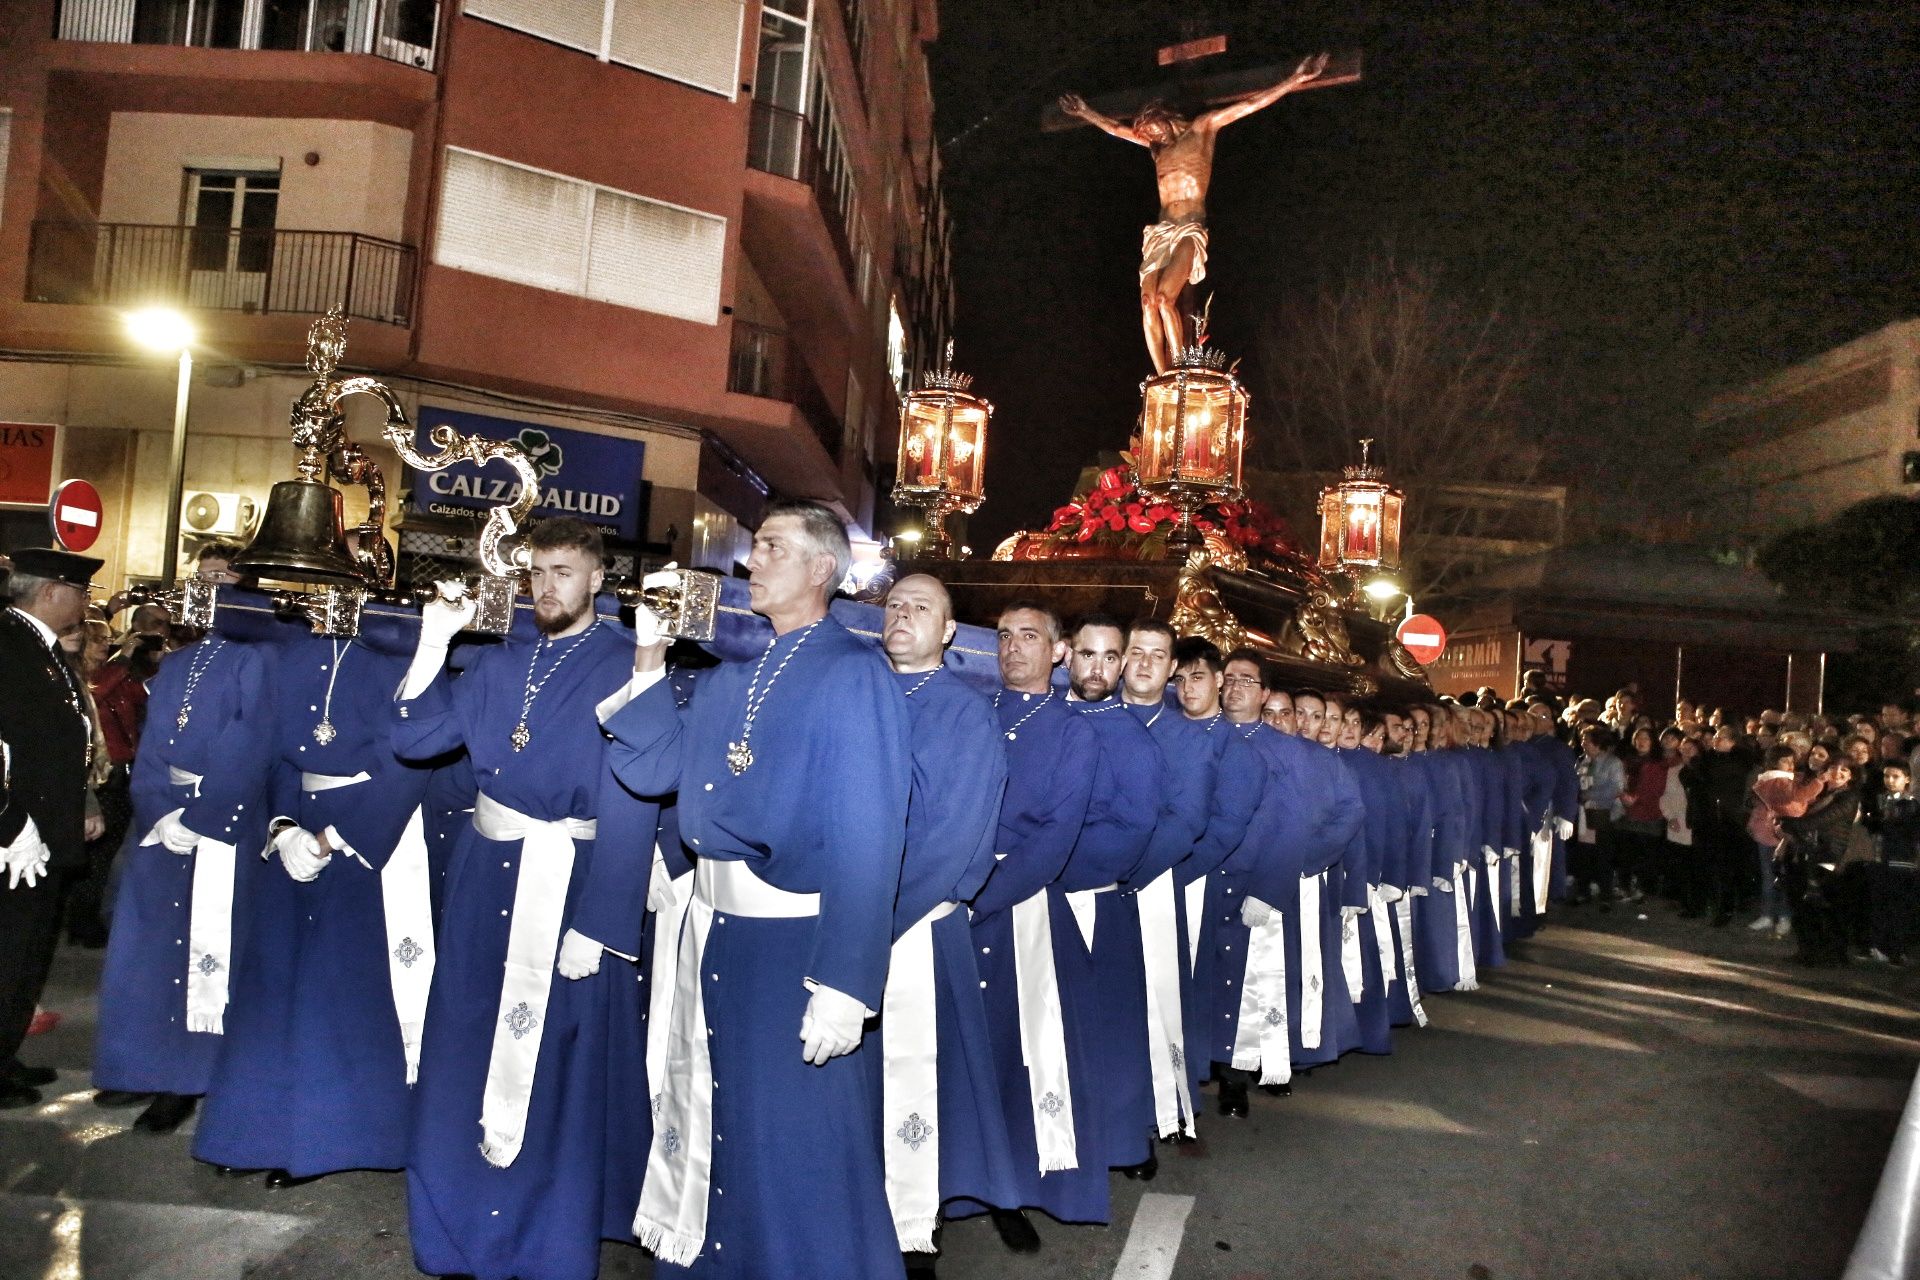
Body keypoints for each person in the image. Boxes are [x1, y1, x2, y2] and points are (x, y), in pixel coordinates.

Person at [605, 500, 913, 1279]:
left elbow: (868, 837)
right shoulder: (726, 680)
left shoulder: (854, 673)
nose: (751, 563)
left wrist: (845, 983)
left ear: (820, 568)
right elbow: (649, 772)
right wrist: (648, 653)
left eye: (771, 547)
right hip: (714, 935)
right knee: (719, 1118)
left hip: (791, 950)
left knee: (795, 1142)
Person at [395, 517, 652, 1280]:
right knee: (467, 1045)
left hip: (573, 885)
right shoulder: (500, 663)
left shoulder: (622, 663)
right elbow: (412, 740)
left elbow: (638, 797)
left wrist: (603, 919)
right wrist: (435, 641)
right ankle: (456, 1233)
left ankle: (545, 1246)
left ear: (598, 580)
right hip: (488, 878)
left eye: (564, 571)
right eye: (537, 571)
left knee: (559, 1064)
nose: (546, 586)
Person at [191, 627, 434, 1188]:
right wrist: (281, 827)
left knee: (339, 990)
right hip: (297, 828)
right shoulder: (284, 657)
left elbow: (409, 765)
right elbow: (271, 754)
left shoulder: (405, 657)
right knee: (273, 986)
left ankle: (330, 1137)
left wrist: (329, 838)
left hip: (369, 837)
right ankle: (255, 1132)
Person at [92, 590, 277, 1133]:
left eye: (224, 581)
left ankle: (187, 1080)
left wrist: (200, 817)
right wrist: (157, 811)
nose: (210, 593)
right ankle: (140, 1063)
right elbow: (150, 746)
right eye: (204, 581)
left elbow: (251, 745)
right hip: (165, 820)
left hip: (219, 823)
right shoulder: (176, 663)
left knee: (206, 953)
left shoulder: (257, 659)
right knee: (149, 952)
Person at [874, 574, 1018, 1269]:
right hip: (847, 912)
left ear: (950, 632)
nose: (902, 616)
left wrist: (877, 917)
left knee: (913, 1075)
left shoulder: (964, 711)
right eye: (894, 605)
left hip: (913, 921)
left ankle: (910, 1224)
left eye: (921, 608)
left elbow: (956, 835)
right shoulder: (857, 690)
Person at [948, 601, 1097, 1251]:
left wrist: (979, 899)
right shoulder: (973, 713)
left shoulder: (1073, 732)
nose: (1012, 649)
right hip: (946, 896)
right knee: (945, 1051)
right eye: (1004, 637)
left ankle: (1006, 1190)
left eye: (1029, 637)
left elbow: (1054, 838)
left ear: (1058, 652)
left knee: (1013, 1051)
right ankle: (928, 1202)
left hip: (1016, 909)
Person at [1058, 52, 1331, 373]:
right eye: (1146, 133)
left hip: (1189, 228)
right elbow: (1118, 129)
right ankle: (1162, 376)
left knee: (1163, 299)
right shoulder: (1156, 148)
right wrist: (1086, 112)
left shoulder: (1203, 128)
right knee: (1147, 304)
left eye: (1152, 128)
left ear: (1163, 115)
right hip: (1160, 231)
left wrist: (1294, 79)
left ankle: (1178, 371)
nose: (1149, 136)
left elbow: (1249, 105)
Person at [1057, 615, 1164, 1179]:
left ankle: (1121, 1140)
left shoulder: (1132, 740)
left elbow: (1134, 828)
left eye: (1109, 657)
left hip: (1093, 897)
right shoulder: (1042, 716)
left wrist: (1055, 868)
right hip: (1032, 896)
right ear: (1066, 655)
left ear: (1121, 664)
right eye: (1086, 654)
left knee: (1111, 1029)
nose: (1096, 668)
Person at [0, 548, 104, 1108]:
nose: (85, 602)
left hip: (41, 834)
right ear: (51, 592)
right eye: (80, 591)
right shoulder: (9, 645)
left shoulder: (37, 647)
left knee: (27, 952)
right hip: (16, 841)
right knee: (10, 950)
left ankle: (5, 1051)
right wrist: (10, 824)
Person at [1117, 620, 1214, 1143]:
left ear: (1173, 668)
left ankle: (1156, 1111)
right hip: (1083, 883)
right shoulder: (1090, 719)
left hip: (1148, 883)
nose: (1147, 663)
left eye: (1159, 655)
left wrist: (1127, 873)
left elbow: (1187, 820)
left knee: (1155, 1001)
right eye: (1137, 652)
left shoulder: (1188, 737)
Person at [1166, 640, 1264, 1103]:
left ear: (1220, 681)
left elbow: (1226, 829)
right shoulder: (1160, 731)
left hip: (1200, 879)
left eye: (1198, 677)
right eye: (1180, 678)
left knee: (1200, 985)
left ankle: (1203, 1080)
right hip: (1152, 875)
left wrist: (1171, 874)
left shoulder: (1237, 750)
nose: (1188, 688)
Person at [1777, 762, 1861, 966]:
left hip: (1827, 854)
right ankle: (1808, 950)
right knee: (1803, 904)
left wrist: (1789, 823)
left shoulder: (1848, 797)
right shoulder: (1819, 794)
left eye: (1844, 770)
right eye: (1834, 768)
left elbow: (1823, 819)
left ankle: (1834, 954)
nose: (1838, 773)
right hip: (1805, 850)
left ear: (1851, 775)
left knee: (1827, 907)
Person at [1750, 744, 1823, 939]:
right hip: (1771, 833)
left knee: (1785, 878)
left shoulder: (1790, 780)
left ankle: (1783, 916)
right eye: (1785, 761)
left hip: (1789, 834)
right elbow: (1795, 797)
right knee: (1770, 876)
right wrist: (1818, 782)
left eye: (1792, 761)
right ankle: (1769, 914)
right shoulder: (1774, 782)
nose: (1790, 765)